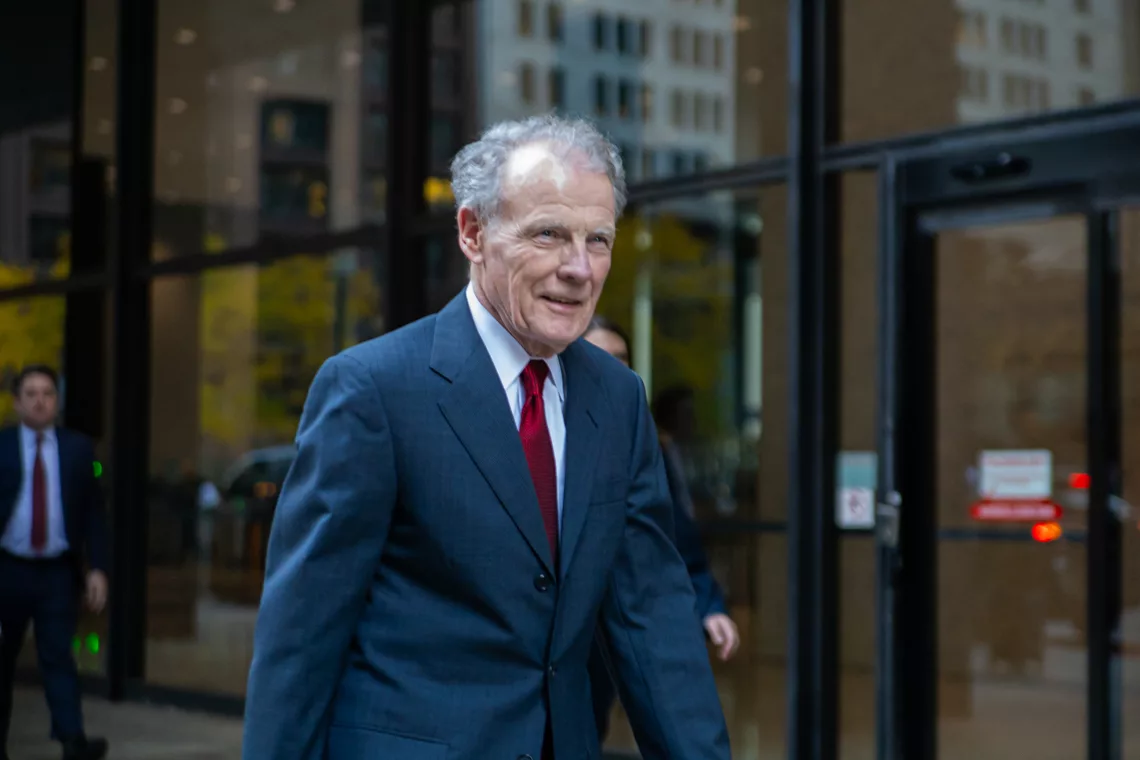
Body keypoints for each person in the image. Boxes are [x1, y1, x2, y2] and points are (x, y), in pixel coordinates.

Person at [243, 115, 731, 760]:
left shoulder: (618, 398)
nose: (579, 269)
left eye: (599, 240)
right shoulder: (372, 388)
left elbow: (652, 621)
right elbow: (302, 636)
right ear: (473, 233)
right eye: (549, 235)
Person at [582, 317, 740, 740]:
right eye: (598, 358)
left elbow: (670, 537)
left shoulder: (640, 440)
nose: (611, 370)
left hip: (610, 625)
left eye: (621, 360)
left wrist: (707, 603)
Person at [0, 365, 109, 760]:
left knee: (59, 657)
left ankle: (72, 740)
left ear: (56, 401)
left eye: (47, 393)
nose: (40, 400)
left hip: (57, 573)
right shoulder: (3, 446)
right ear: (17, 402)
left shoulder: (78, 449)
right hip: (8, 570)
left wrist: (97, 568)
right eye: (31, 393)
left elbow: (94, 513)